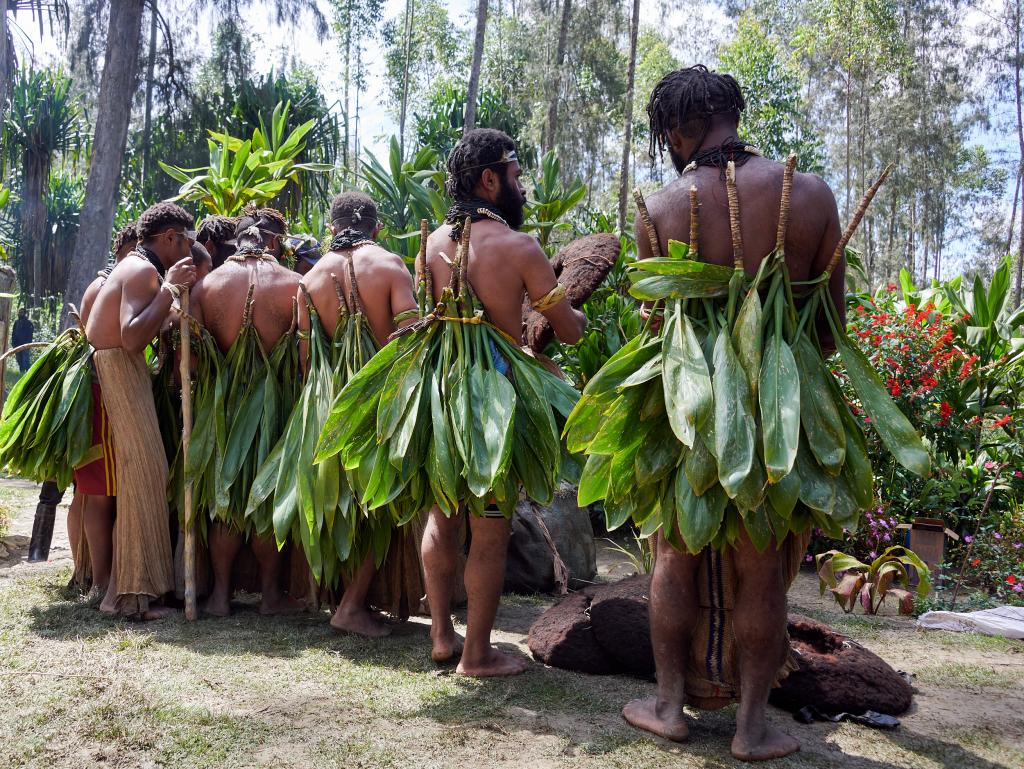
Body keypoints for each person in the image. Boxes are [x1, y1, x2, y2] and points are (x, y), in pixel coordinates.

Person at [620, 65, 842, 762]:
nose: (671, 148)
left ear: (683, 128)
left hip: (687, 409)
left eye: (668, 136)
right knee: (762, 565)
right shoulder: (807, 193)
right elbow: (831, 327)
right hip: (778, 406)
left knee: (674, 556)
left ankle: (667, 704)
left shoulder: (659, 207)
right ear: (731, 115)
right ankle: (751, 725)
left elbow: (659, 328)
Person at [422, 128, 586, 677]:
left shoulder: (431, 244)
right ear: (490, 179)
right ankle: (477, 655)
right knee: (489, 528)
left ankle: (443, 636)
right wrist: (576, 314)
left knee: (443, 516)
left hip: (440, 394)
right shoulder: (519, 247)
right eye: (515, 176)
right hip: (494, 400)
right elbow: (568, 332)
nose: (521, 187)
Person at [298, 191, 418, 636]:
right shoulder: (390, 266)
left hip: (327, 405)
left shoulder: (309, 278)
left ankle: (352, 600)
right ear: (377, 228)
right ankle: (351, 605)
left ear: (331, 229)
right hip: (381, 398)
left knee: (346, 504)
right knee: (380, 501)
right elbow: (410, 339)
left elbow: (307, 357)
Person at [84, 202, 197, 619]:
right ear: (170, 237)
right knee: (145, 476)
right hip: (121, 370)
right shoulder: (142, 271)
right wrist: (168, 289)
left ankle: (124, 594)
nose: (188, 248)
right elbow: (131, 338)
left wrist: (167, 313)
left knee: (144, 476)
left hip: (120, 371)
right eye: (185, 240)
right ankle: (127, 598)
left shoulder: (134, 268)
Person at [189, 206, 304, 617]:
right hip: (277, 405)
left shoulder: (206, 287)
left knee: (225, 501)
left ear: (238, 240)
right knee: (267, 498)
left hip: (219, 407)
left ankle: (220, 595)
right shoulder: (295, 285)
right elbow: (305, 359)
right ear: (273, 242)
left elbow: (193, 362)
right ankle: (270, 595)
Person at [66, 222, 141, 592]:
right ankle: (100, 581)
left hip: (97, 395)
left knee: (90, 490)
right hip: (102, 395)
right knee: (99, 491)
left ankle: (86, 574)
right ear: (126, 249)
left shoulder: (105, 281)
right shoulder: (108, 284)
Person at [11, 307, 34, 372]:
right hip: (17, 344)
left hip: (26, 344)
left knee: (25, 359)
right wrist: (13, 342)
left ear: (25, 313)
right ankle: (21, 371)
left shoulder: (29, 323)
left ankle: (28, 371)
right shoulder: (16, 322)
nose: (20, 314)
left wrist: (28, 344)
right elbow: (13, 333)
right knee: (19, 359)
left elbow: (30, 334)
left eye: (21, 312)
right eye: (19, 312)